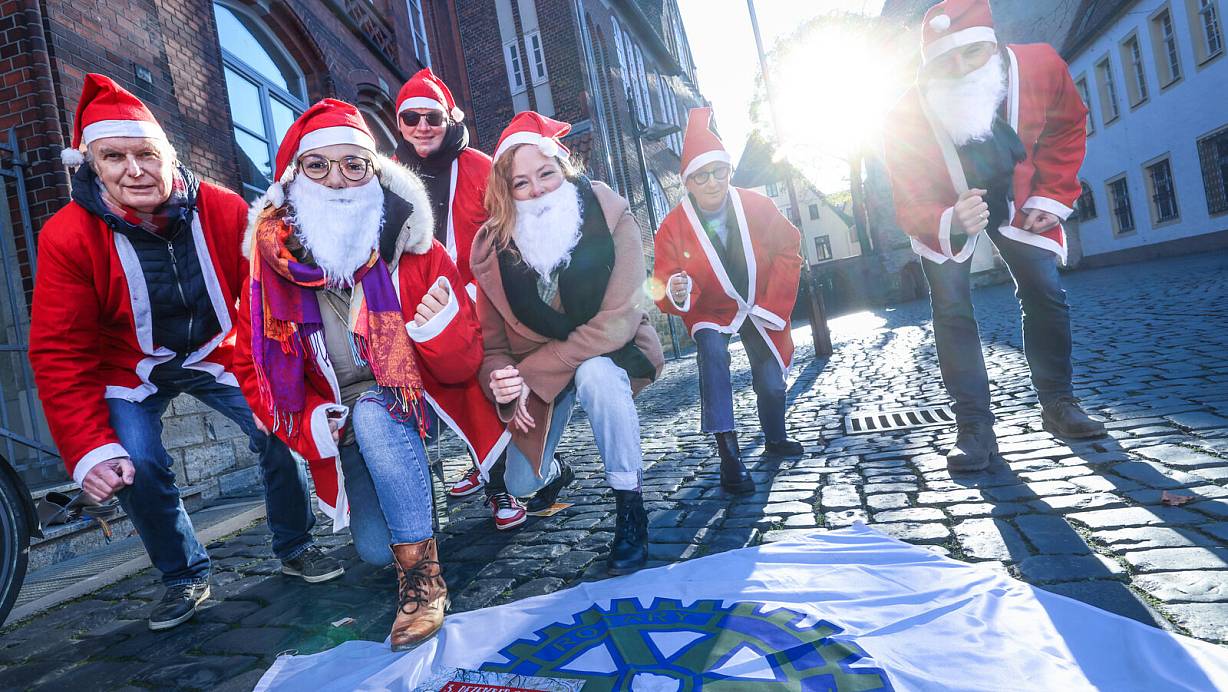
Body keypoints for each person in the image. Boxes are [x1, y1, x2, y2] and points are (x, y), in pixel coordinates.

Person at [28, 74, 342, 632]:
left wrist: (292, 384)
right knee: (136, 461)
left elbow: (268, 297)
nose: (134, 169)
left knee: (279, 427)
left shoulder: (221, 209)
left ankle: (295, 546)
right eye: (114, 156)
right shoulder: (66, 235)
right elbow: (59, 350)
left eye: (146, 153)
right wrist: (88, 448)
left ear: (168, 156)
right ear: (90, 166)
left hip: (218, 350)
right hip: (125, 364)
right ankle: (183, 575)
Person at [233, 99, 508, 649]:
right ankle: (406, 509)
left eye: (353, 165)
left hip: (411, 398)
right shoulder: (269, 270)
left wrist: (436, 330)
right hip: (341, 425)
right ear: (294, 180)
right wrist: (310, 420)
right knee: (372, 550)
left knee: (377, 413)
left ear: (374, 174)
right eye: (319, 166)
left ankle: (425, 582)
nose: (337, 179)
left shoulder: (416, 247)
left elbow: (462, 363)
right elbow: (251, 365)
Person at [883, 0, 1106, 473]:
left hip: (1020, 195)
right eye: (946, 61)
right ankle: (974, 427)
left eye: (973, 55)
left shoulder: (1042, 65)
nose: (961, 69)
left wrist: (1051, 194)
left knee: (1045, 290)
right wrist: (947, 218)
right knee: (951, 308)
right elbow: (909, 193)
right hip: (948, 205)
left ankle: (1059, 403)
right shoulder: (905, 113)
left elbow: (1068, 127)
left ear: (995, 46)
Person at [470, 112, 664, 575]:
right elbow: (493, 347)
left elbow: (617, 322)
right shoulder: (491, 247)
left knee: (595, 374)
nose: (536, 190)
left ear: (565, 168)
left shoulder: (611, 214)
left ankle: (629, 505)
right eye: (521, 183)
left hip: (610, 354)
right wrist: (499, 379)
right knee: (519, 484)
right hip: (540, 378)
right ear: (506, 190)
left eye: (546, 174)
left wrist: (533, 372)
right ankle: (556, 471)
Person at [392, 69, 523, 525]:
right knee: (424, 398)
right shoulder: (389, 177)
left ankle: (501, 488)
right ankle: (471, 469)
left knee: (481, 390)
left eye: (432, 117)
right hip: (417, 304)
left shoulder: (481, 168)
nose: (422, 127)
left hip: (478, 300)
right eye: (412, 118)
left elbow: (510, 235)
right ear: (399, 123)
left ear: (449, 119)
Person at [652, 107, 805, 496]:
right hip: (710, 309)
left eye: (719, 171)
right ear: (687, 182)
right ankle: (729, 454)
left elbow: (789, 250)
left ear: (729, 171)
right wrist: (677, 291)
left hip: (758, 300)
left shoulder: (757, 206)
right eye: (701, 176)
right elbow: (663, 279)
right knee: (712, 355)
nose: (712, 182)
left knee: (771, 380)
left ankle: (775, 435)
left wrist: (773, 304)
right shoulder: (672, 226)